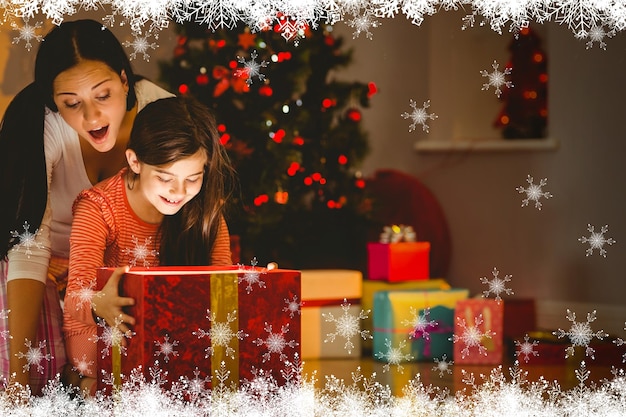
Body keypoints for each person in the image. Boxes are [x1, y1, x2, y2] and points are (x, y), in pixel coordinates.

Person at [0, 19, 174, 394]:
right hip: (43, 273)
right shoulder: (39, 128)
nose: (92, 118)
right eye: (71, 104)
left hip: (125, 273)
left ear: (125, 82)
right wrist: (14, 382)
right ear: (53, 102)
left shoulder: (163, 115)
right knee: (30, 366)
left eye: (104, 95)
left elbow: (188, 221)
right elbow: (28, 247)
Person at [63, 96, 236, 395]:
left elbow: (222, 283)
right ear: (135, 161)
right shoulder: (99, 208)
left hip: (172, 334)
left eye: (193, 178)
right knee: (147, 373)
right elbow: (75, 295)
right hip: (103, 330)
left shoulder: (205, 212)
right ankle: (83, 383)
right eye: (165, 177)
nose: (178, 191)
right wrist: (98, 304)